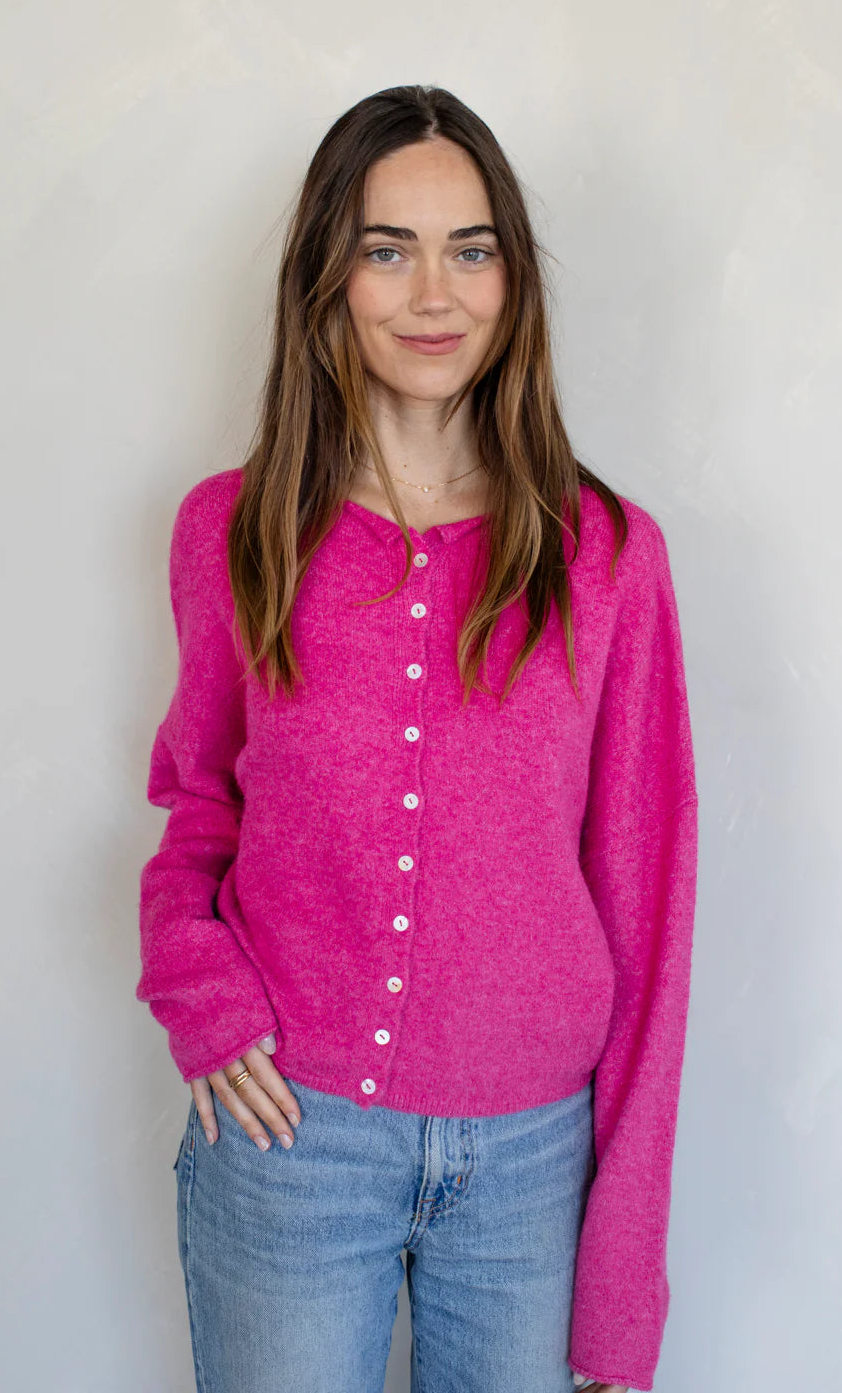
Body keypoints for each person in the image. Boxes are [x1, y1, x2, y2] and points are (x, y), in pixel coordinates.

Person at [137, 84, 698, 1393]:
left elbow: (650, 903)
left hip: (531, 1170)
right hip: (291, 1138)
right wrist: (202, 995)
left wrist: (622, 1281)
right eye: (387, 249)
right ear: (328, 277)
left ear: (514, 278)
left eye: (471, 249)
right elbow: (199, 807)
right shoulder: (234, 533)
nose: (433, 294)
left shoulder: (606, 556)